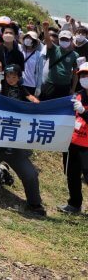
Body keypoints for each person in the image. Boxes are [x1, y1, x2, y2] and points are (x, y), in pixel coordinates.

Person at [0, 63, 46, 216]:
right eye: (8, 76)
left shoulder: (21, 90)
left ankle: (34, 204)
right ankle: (1, 173)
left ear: (19, 78)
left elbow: (31, 99)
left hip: (14, 143)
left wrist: (37, 103)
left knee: (30, 175)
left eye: (14, 77)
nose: (11, 79)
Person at [58, 62, 88, 214]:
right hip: (73, 142)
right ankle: (74, 204)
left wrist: (83, 111)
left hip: (87, 146)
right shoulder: (79, 95)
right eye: (82, 75)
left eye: (87, 75)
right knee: (72, 175)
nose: (85, 78)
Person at [40, 21, 79, 100]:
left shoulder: (75, 55)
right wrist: (45, 29)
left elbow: (75, 74)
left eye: (67, 39)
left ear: (71, 40)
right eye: (62, 39)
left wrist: (73, 89)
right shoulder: (53, 49)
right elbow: (48, 40)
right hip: (50, 83)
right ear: (59, 40)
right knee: (45, 104)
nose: (64, 41)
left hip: (65, 86)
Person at [19, 30, 45, 97]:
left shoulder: (38, 55)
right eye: (27, 37)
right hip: (19, 83)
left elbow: (40, 72)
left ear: (34, 41)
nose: (28, 39)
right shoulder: (20, 51)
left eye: (31, 38)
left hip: (31, 85)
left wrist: (38, 87)